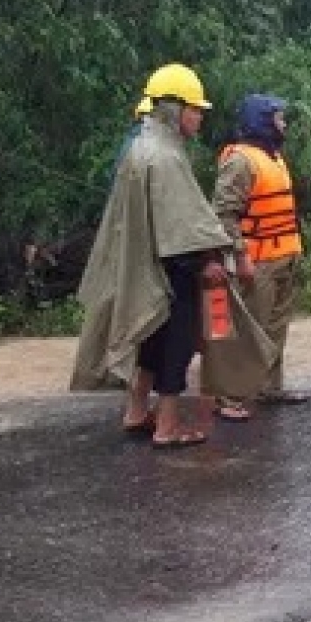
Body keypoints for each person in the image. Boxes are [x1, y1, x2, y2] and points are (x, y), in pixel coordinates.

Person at [70, 63, 234, 447]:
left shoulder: (141, 147)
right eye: (195, 110)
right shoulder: (165, 156)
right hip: (172, 268)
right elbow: (187, 224)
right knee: (175, 342)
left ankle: (137, 410)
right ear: (175, 109)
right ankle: (168, 425)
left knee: (148, 337)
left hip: (145, 266)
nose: (200, 117)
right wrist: (212, 259)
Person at [213, 94, 306, 419]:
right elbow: (225, 215)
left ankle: (269, 386)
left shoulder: (274, 158)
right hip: (256, 260)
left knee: (274, 327)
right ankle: (229, 396)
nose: (284, 125)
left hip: (284, 256)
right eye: (279, 118)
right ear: (262, 121)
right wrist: (240, 257)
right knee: (246, 329)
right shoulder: (240, 161)